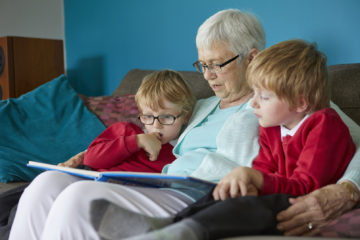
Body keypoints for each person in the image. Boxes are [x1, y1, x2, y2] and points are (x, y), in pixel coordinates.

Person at [8, 9, 360, 240]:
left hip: (203, 192)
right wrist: (86, 156)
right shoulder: (198, 105)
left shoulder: (287, 103)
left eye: (217, 64)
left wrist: (345, 191)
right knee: (47, 183)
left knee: (78, 199)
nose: (207, 76)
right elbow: (151, 134)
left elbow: (350, 140)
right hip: (159, 184)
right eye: (201, 65)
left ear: (252, 57)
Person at [101, 39, 356, 240]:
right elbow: (264, 170)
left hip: (301, 199)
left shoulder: (324, 125)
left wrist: (255, 180)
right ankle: (168, 225)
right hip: (280, 192)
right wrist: (250, 182)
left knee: (247, 206)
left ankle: (190, 231)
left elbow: (305, 186)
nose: (253, 103)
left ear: (301, 102)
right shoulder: (270, 126)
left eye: (264, 97)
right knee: (222, 193)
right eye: (253, 93)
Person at [80, 70, 195, 173]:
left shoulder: (179, 155)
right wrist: (137, 141)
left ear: (186, 116)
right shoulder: (126, 131)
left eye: (166, 117)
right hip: (92, 177)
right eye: (148, 116)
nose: (156, 125)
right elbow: (90, 160)